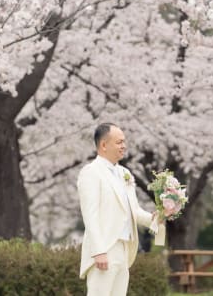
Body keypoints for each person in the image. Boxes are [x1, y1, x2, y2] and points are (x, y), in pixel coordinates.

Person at [77, 123, 154, 296]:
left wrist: (157, 218)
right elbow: (90, 216)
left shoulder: (125, 173)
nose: (124, 146)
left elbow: (133, 211)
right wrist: (99, 251)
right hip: (105, 248)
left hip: (124, 249)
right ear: (104, 145)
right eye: (119, 142)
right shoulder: (91, 172)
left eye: (124, 142)